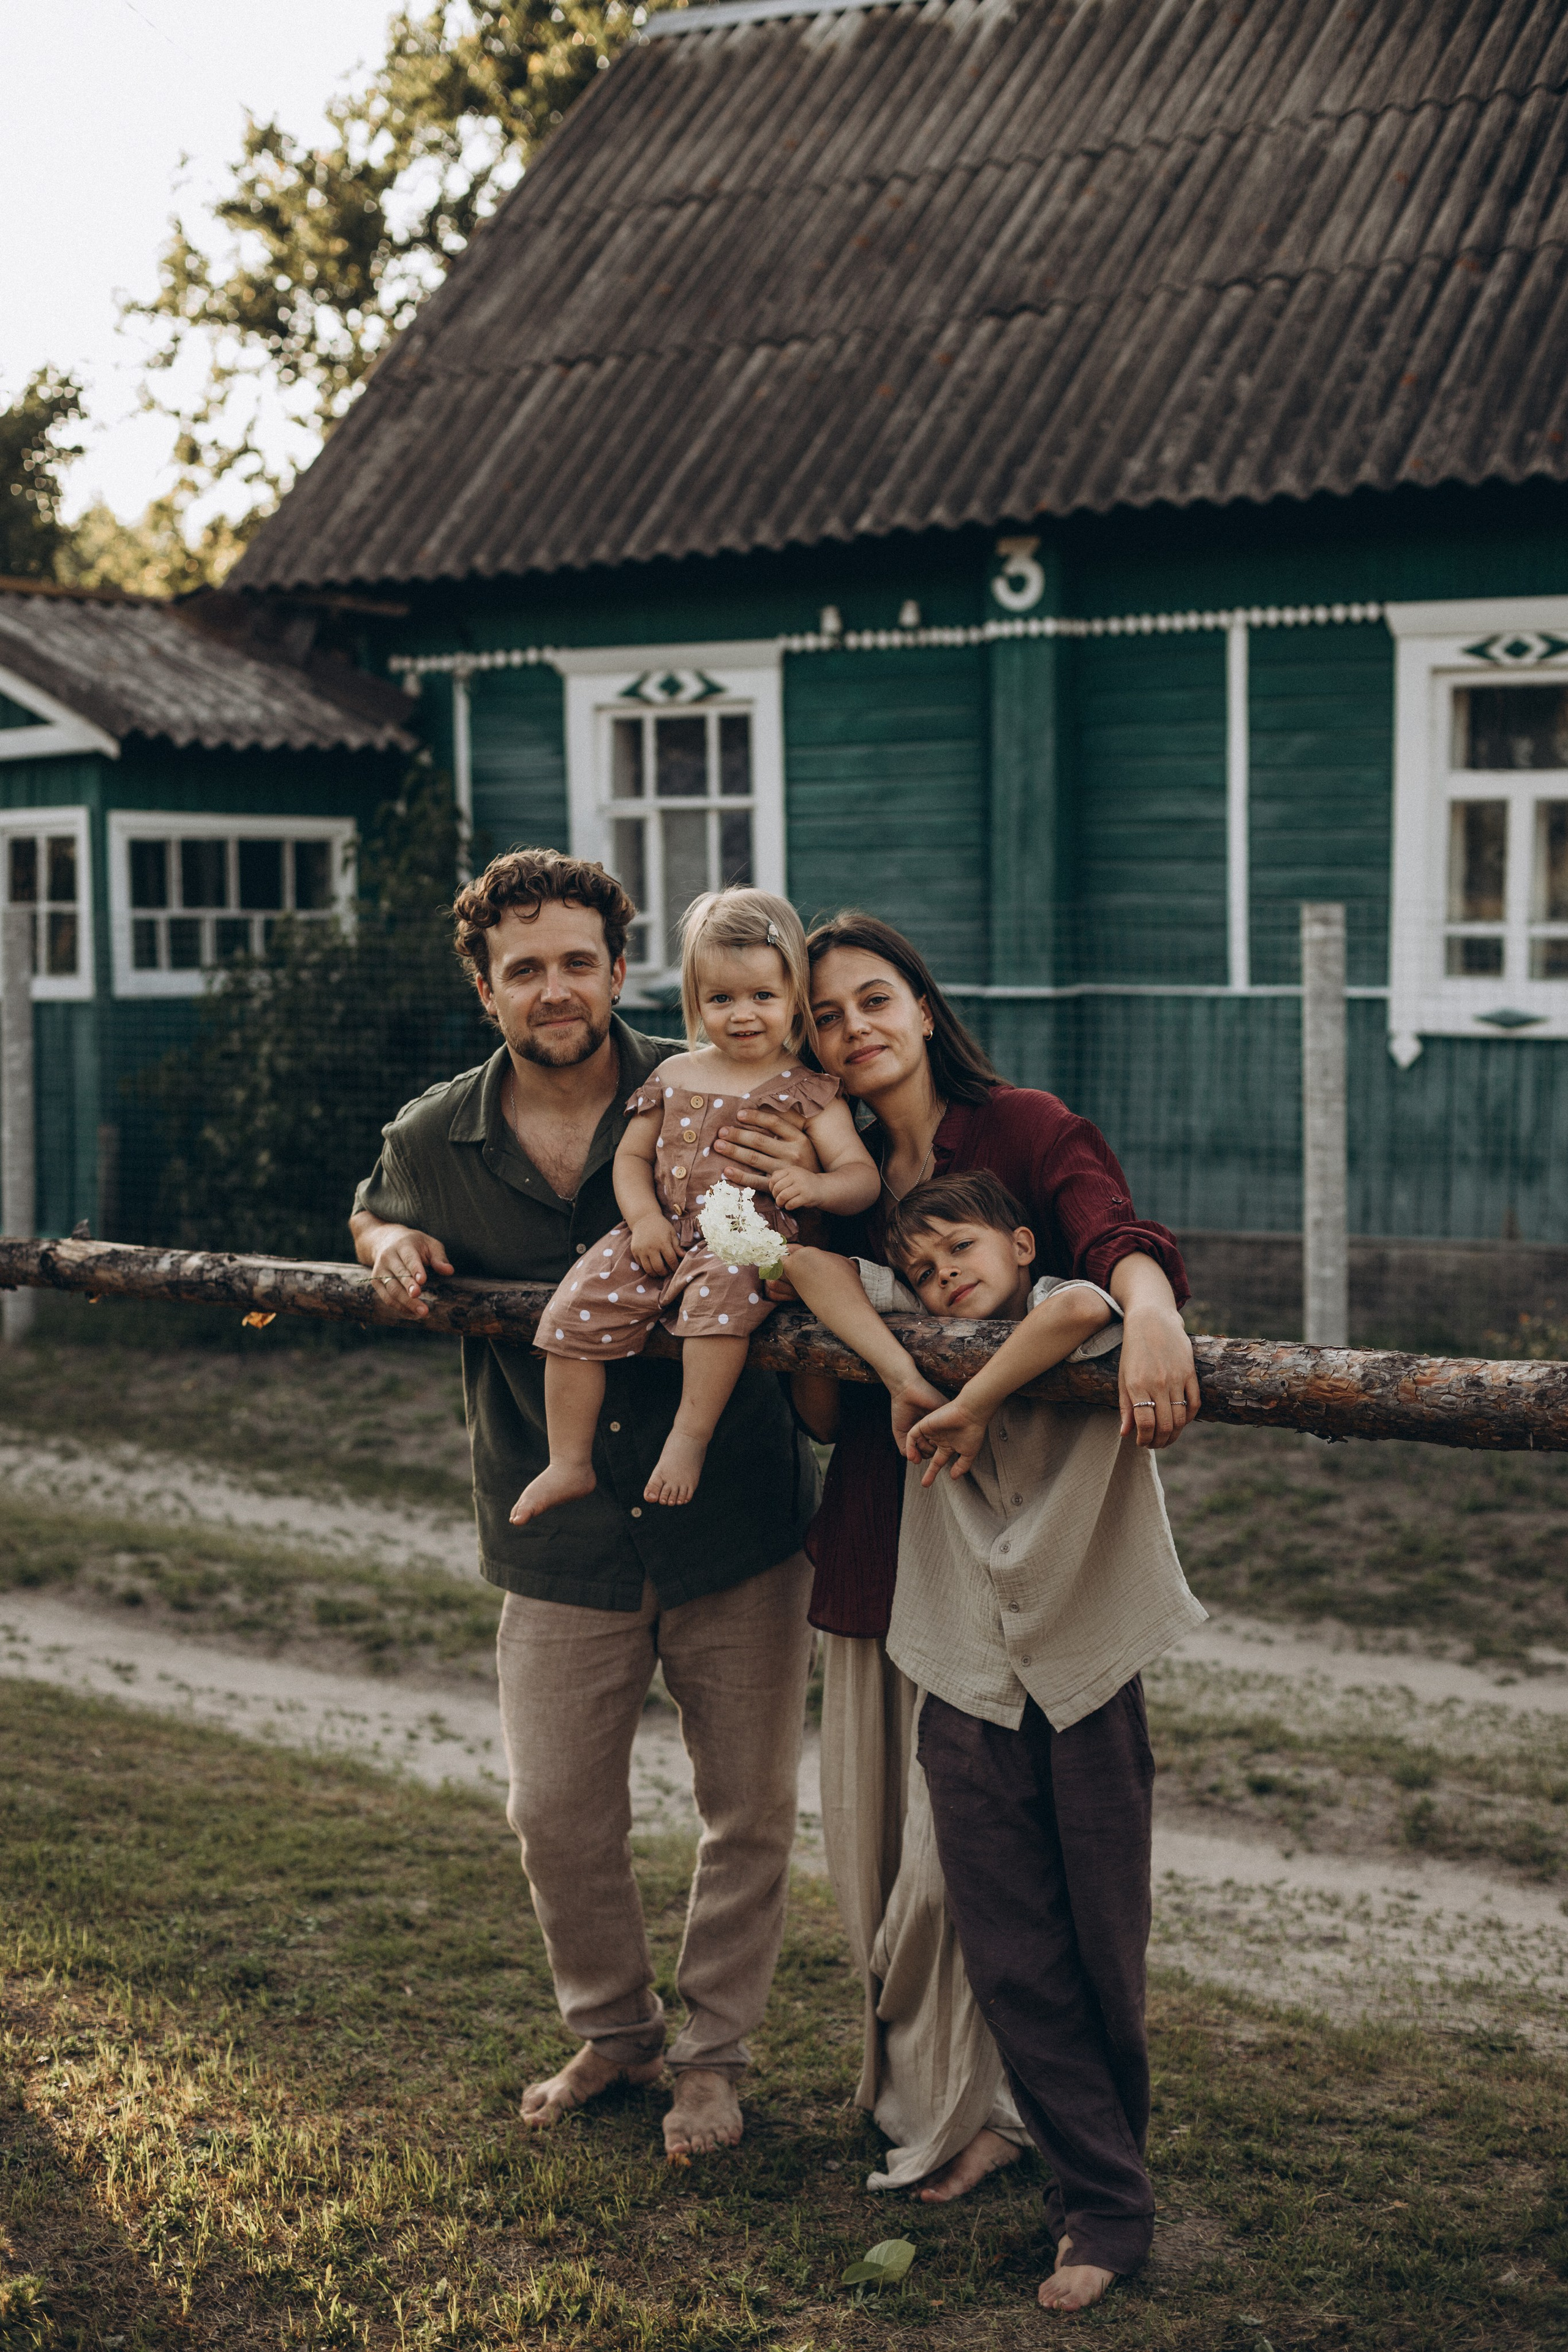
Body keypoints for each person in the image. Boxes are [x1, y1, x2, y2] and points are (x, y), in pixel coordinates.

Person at [709, 912, 1198, 2231]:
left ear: (924, 1007)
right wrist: (833, 1316)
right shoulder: (845, 1171)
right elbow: (820, 1404)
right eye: (824, 1016)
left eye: (874, 999)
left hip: (1011, 1556)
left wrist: (1153, 1311)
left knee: (962, 1875)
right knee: (878, 1871)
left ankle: (991, 2118)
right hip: (879, 1532)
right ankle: (922, 2102)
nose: (852, 1028)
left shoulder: (1020, 1131)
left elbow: (1107, 1240)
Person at [349, 849, 822, 2161]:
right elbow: (373, 1213)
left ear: (619, 972)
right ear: (486, 990)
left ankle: (712, 2062)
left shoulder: (719, 1079)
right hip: (554, 1530)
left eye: (576, 962)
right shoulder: (434, 1137)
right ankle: (617, 2035)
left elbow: (822, 1209)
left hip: (734, 1519)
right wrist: (387, 1243)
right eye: (524, 970)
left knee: (747, 1815)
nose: (552, 989)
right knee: (554, 1813)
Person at [779, 1169, 1206, 2310]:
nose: (940, 1278)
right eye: (919, 1270)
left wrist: (971, 1402)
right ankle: (1101, 2203)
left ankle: (1106, 2195)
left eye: (960, 1251)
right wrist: (905, 1370)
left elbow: (1085, 1308)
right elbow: (806, 1264)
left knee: (1104, 1945)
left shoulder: (1067, 1306)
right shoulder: (920, 1329)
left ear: (1020, 1243)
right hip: (963, 1681)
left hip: (1089, 1675)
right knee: (1012, 1955)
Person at [517, 889, 877, 1521]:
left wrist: (818, 1187)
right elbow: (631, 1159)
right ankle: (568, 1461)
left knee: (721, 1305)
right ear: (695, 1001)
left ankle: (689, 1438)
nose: (743, 1015)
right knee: (573, 1308)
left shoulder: (808, 1090)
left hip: (744, 1238)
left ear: (795, 995)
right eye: (721, 999)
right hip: (660, 1232)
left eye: (762, 996)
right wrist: (644, 1220)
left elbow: (861, 1177)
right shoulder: (674, 1074)